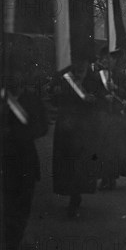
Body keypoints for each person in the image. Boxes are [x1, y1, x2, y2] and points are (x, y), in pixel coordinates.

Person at [2, 48, 48, 250]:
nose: (15, 77)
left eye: (19, 72)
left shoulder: (31, 99)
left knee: (22, 206)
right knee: (8, 205)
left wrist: (22, 134)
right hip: (5, 162)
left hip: (26, 161)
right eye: (11, 72)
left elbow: (43, 127)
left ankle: (13, 245)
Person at [52, 59, 101, 218]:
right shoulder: (65, 77)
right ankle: (73, 194)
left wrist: (94, 100)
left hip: (84, 129)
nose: (80, 66)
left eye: (83, 62)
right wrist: (55, 91)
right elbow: (54, 98)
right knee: (68, 162)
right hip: (67, 127)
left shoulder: (93, 78)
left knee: (81, 163)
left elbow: (100, 98)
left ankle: (76, 194)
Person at [93, 48, 126, 190]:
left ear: (115, 60)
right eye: (104, 58)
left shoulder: (121, 76)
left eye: (109, 58)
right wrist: (103, 97)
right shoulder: (97, 76)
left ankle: (112, 177)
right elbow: (93, 94)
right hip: (102, 116)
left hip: (116, 116)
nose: (106, 60)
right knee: (102, 149)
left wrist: (115, 88)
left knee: (114, 149)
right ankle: (103, 176)